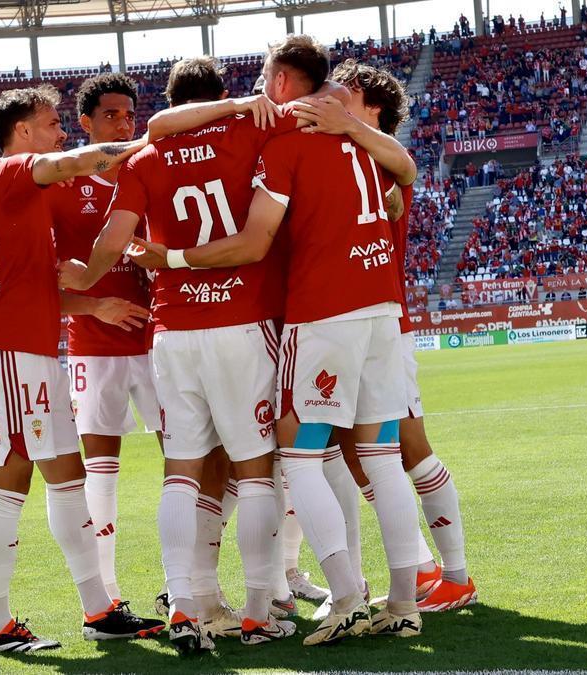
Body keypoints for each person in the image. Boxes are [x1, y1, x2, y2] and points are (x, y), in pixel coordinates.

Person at [124, 35, 421, 645]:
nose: (260, 88)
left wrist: (170, 257)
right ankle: (403, 599)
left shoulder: (287, 133)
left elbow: (255, 240)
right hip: (381, 312)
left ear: (282, 80)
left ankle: (342, 598)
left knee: (295, 454)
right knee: (381, 459)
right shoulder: (359, 136)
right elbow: (407, 169)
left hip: (317, 313)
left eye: (264, 76)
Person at [59, 56, 298, 653]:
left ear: (169, 102)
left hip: (173, 330)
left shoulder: (145, 157)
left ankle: (186, 606)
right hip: (240, 321)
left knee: (181, 471)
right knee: (254, 468)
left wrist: (87, 276)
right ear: (219, 95)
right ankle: (257, 608)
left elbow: (115, 237)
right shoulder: (251, 128)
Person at [0, 83, 163, 653]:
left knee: (70, 481)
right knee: (9, 486)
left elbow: (36, 284)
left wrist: (94, 303)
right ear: (24, 134)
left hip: (31, 352)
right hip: (6, 353)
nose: (61, 132)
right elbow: (76, 159)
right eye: (52, 123)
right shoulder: (10, 171)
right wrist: (151, 140)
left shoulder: (21, 197)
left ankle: (98, 609)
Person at [317, 60, 476, 613]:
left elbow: (400, 177)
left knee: (408, 446)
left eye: (339, 90)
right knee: (351, 448)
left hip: (385, 325)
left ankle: (455, 573)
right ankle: (427, 568)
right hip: (350, 324)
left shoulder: (379, 155)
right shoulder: (348, 152)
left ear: (364, 99)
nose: (328, 98)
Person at [47, 73, 163, 608]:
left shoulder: (151, 169)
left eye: (129, 115)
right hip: (94, 348)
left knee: (189, 459)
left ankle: (183, 587)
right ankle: (107, 593)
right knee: (101, 471)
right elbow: (39, 276)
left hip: (162, 340)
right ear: (85, 123)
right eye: (111, 115)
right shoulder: (62, 184)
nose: (124, 123)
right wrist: (95, 304)